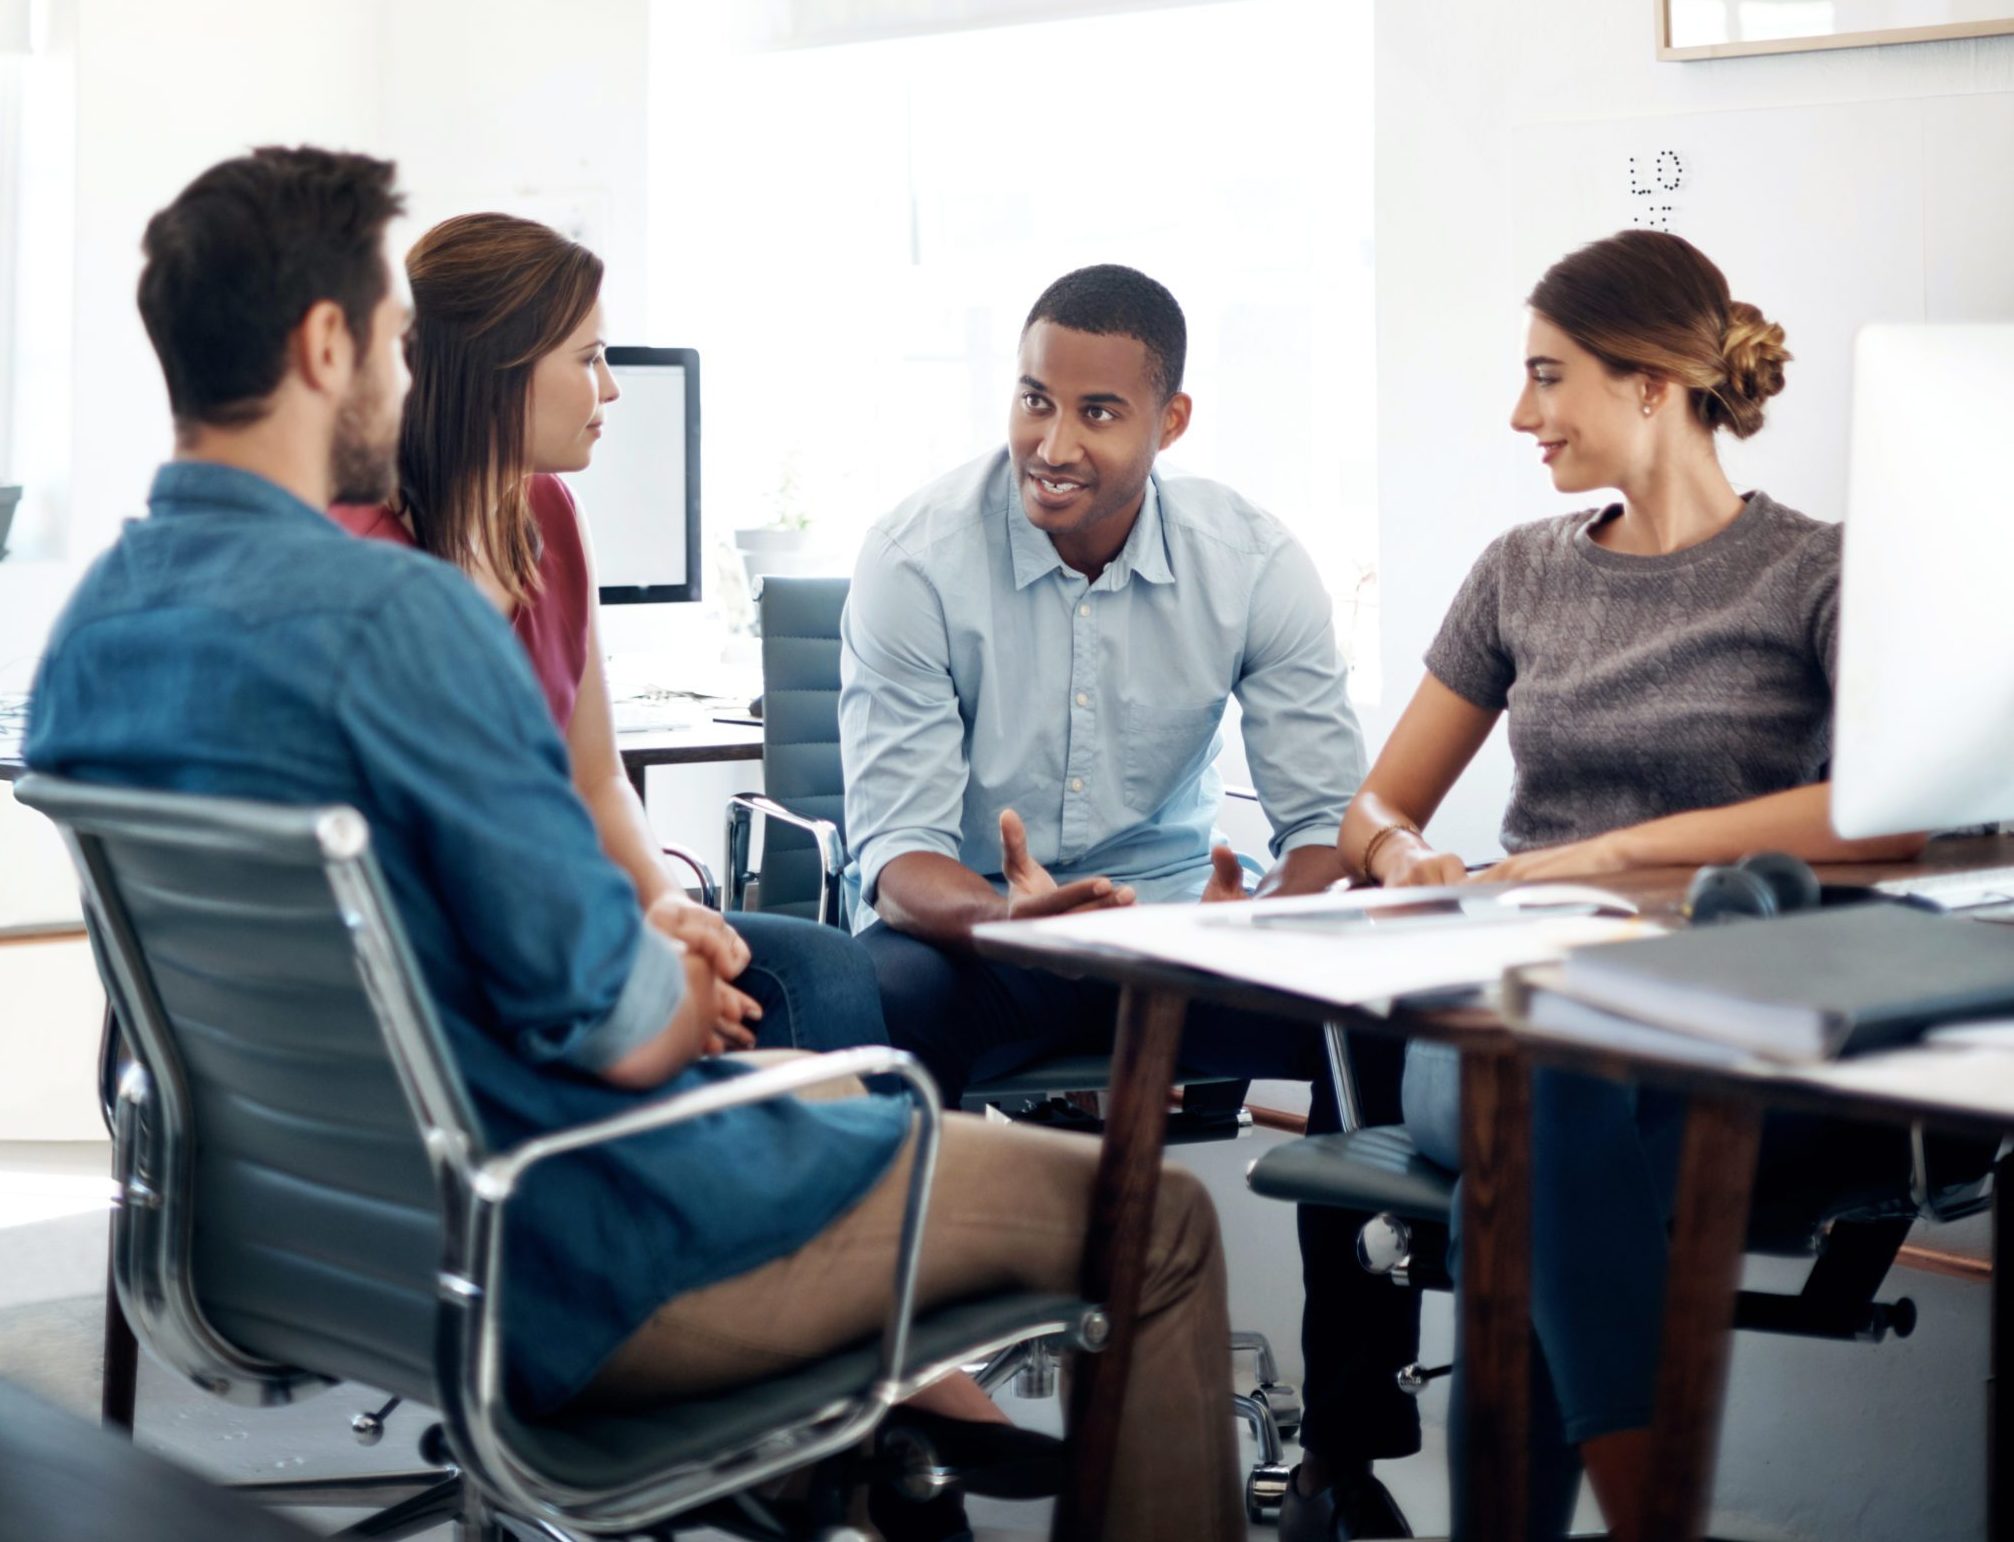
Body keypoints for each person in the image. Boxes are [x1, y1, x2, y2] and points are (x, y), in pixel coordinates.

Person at [24, 147, 1244, 1542]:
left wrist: (667, 972)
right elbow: (615, 1025)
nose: (404, 370)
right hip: (561, 1255)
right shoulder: (395, 621)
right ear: (323, 346)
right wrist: (673, 977)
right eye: (390, 335)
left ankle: (856, 1467)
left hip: (286, 1249)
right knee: (1151, 1222)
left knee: (811, 1073)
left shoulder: (92, 634)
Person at [1339, 229, 1925, 1538]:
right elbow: (1375, 803)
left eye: (1548, 377)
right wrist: (1400, 851)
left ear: (1649, 383)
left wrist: (1614, 852)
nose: (1518, 412)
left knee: (1540, 1160)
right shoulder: (1518, 573)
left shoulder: (1816, 572)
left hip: (1704, 1015)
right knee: (1535, 1073)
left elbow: (1894, 816)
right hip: (1504, 992)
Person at [840, 263, 1417, 1538]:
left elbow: (1326, 825)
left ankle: (1346, 1452)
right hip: (979, 935)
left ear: (1172, 423)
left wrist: (1264, 910)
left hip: (1179, 937)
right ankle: (896, 1420)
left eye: (1098, 413)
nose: (1053, 444)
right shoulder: (914, 557)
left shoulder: (1254, 561)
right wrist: (1013, 920)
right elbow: (895, 854)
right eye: (1034, 399)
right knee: (862, 1006)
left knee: (1373, 1013)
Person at [331, 212, 880, 1063]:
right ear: (494, 373)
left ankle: (809, 1178)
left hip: (553, 915)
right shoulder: (365, 560)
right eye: (589, 359)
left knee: (827, 972)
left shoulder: (548, 512)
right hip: (444, 949)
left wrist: (669, 911)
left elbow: (596, 780)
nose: (613, 388)